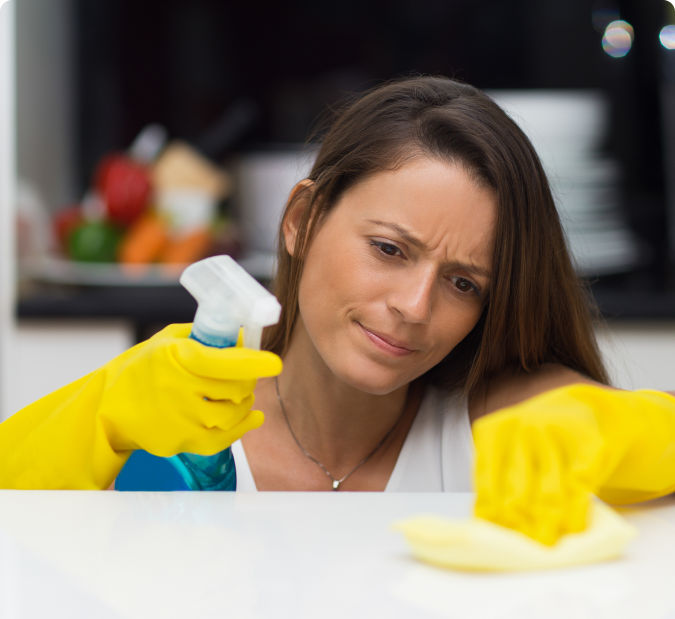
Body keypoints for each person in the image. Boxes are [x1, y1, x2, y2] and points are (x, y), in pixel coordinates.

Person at [2, 76, 675, 545]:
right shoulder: (171, 405)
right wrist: (101, 416)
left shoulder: (490, 418)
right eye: (388, 248)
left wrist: (608, 429)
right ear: (301, 218)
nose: (414, 307)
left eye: (464, 284)